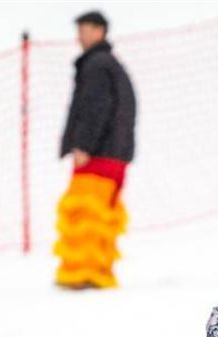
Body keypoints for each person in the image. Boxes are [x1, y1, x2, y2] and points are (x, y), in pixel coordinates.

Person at [54, 10, 136, 289]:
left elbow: (95, 108)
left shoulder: (97, 65)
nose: (80, 36)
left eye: (85, 30)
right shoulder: (111, 64)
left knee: (85, 214)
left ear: (100, 31)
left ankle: (83, 275)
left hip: (99, 154)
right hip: (116, 154)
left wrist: (84, 145)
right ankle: (99, 272)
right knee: (103, 216)